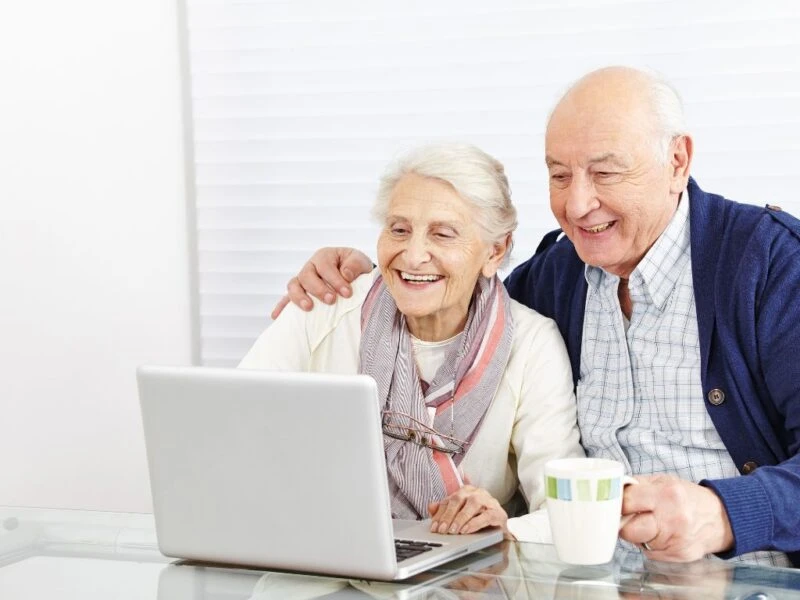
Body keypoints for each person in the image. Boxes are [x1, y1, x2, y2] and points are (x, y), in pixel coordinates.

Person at [274, 67, 800, 567]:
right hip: (586, 582)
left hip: (748, 580)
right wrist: (368, 277)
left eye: (605, 172)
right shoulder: (557, 276)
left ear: (678, 162)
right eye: (559, 175)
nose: (578, 204)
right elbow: (462, 291)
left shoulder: (769, 264)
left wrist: (725, 513)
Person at [240, 142, 583, 539]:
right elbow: (231, 430)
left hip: (467, 566)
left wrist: (502, 528)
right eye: (399, 230)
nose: (413, 255)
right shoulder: (324, 307)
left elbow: (566, 508)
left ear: (495, 250)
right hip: (316, 543)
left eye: (443, 234)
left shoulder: (533, 344)